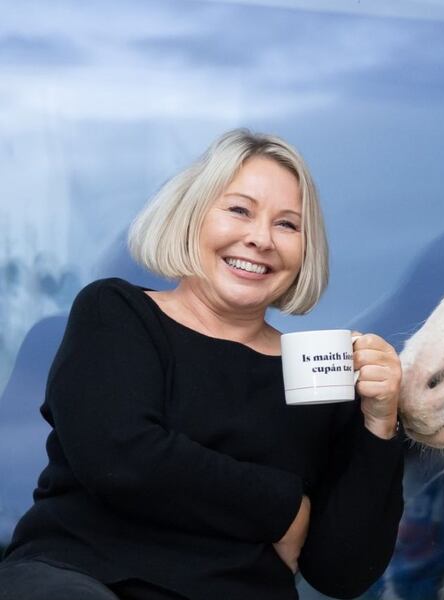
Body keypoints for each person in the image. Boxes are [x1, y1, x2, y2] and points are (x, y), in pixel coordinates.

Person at [0, 130, 405, 600]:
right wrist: (285, 509)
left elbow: (341, 572)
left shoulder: (317, 372)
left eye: (288, 225)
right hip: (82, 579)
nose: (259, 239)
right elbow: (124, 459)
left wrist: (379, 424)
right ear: (192, 218)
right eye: (239, 210)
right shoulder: (116, 312)